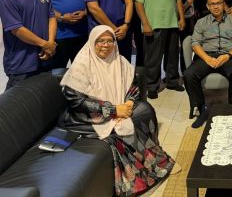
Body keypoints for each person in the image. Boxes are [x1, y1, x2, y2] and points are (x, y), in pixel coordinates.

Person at [59, 25, 180, 196]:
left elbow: (132, 85)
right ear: (92, 42)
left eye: (110, 41)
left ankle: (157, 163)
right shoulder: (82, 65)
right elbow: (75, 101)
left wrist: (129, 103)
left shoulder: (119, 60)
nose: (106, 45)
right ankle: (139, 178)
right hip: (86, 117)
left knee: (144, 111)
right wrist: (113, 110)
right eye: (100, 41)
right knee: (117, 132)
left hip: (118, 108)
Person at [183, 0, 232, 128]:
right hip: (206, 55)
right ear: (208, 6)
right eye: (212, 4)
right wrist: (207, 58)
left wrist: (227, 56)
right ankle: (202, 110)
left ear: (223, 4)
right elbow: (195, 43)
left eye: (219, 3)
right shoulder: (201, 22)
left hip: (227, 55)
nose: (216, 6)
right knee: (188, 74)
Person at [132, 0, 186, 99]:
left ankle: (172, 81)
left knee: (173, 55)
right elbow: (138, 2)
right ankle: (151, 86)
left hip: (172, 22)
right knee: (153, 58)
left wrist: (181, 18)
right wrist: (145, 23)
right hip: (153, 23)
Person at [0, 0, 56, 89]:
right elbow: (17, 29)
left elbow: (51, 17)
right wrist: (45, 44)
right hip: (21, 65)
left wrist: (50, 43)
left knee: (43, 97)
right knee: (16, 101)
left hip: (44, 57)